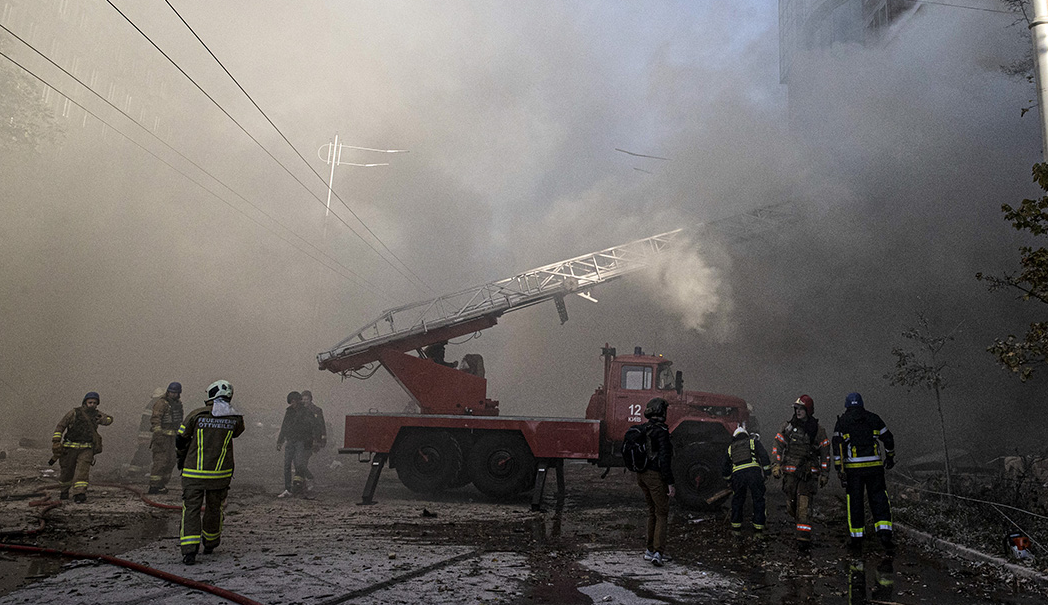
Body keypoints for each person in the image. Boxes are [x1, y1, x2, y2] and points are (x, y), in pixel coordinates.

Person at [176, 379, 244, 565]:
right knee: (215, 508)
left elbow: (180, 439)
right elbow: (237, 432)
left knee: (191, 509)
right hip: (220, 474)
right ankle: (211, 543)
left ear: (211, 394)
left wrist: (181, 458)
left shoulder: (196, 415)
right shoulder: (235, 418)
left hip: (194, 473)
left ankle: (189, 551)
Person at [832, 392, 896, 554]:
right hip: (875, 468)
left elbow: (837, 448)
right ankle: (885, 533)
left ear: (847, 406)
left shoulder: (842, 422)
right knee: (879, 499)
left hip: (854, 471)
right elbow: (888, 438)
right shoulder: (874, 418)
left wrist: (839, 469)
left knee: (855, 502)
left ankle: (857, 538)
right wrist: (890, 457)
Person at [771, 395, 831, 550]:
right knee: (792, 506)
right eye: (796, 409)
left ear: (808, 410)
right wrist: (776, 465)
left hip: (807, 475)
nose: (798, 412)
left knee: (804, 507)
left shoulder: (817, 430)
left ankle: (803, 541)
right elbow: (778, 445)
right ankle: (799, 524)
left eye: (801, 409)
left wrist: (825, 474)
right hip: (790, 475)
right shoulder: (788, 427)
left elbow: (825, 453)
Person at [52, 391, 113, 503]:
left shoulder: (97, 414)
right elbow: (61, 426)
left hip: (86, 449)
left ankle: (79, 494)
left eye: (95, 403)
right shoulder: (74, 413)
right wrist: (56, 441)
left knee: (82, 472)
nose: (92, 405)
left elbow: (109, 420)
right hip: (69, 448)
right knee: (67, 472)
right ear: (85, 402)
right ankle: (64, 491)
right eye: (90, 402)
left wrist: (102, 419)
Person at [635, 397, 675, 567]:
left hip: (641, 475)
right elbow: (665, 459)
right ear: (661, 411)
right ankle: (658, 553)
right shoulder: (661, 431)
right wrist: (670, 482)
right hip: (654, 476)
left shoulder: (644, 428)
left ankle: (650, 550)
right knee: (662, 513)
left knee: (652, 512)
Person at [721, 425, 771, 535]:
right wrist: (767, 472)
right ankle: (758, 529)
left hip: (738, 476)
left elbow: (725, 467)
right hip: (754, 474)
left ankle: (736, 528)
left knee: (737, 500)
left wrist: (729, 480)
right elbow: (764, 456)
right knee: (758, 499)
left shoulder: (730, 448)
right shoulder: (753, 442)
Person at [277, 391, 317, 497]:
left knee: (299, 464)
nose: (292, 403)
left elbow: (312, 427)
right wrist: (280, 441)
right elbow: (284, 426)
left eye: (294, 401)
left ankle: (300, 485)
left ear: (298, 401)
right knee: (287, 465)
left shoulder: (306, 412)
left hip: (301, 441)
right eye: (291, 402)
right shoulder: (289, 412)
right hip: (290, 441)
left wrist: (312, 442)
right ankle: (288, 488)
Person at [148, 382, 184, 494]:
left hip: (173, 438)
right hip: (162, 437)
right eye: (171, 392)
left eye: (175, 393)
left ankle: (162, 484)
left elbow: (180, 421)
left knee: (171, 461)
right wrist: (158, 435)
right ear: (168, 392)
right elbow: (156, 419)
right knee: (160, 461)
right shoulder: (161, 403)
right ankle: (154, 486)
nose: (173, 394)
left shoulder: (178, 404)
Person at [127, 387, 164, 480]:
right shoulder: (156, 405)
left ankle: (135, 471)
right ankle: (134, 471)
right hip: (149, 434)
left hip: (146, 433)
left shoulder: (151, 404)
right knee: (145, 452)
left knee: (144, 452)